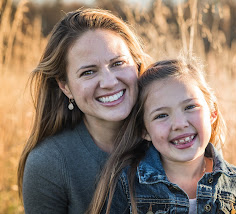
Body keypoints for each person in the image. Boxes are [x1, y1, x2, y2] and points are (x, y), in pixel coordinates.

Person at [17, 8, 149, 214]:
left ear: (137, 65)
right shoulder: (49, 164)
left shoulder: (172, 135)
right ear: (65, 86)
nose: (109, 82)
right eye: (88, 72)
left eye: (118, 63)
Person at [88, 58, 236, 214]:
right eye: (161, 115)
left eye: (190, 107)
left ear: (212, 113)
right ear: (144, 130)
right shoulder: (126, 184)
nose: (179, 124)